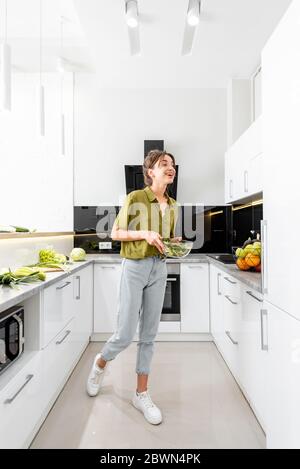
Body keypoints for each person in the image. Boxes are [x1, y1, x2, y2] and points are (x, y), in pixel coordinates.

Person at [86, 150, 181, 425]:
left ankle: (141, 394)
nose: (170, 168)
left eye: (172, 165)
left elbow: (161, 239)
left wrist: (170, 241)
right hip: (135, 266)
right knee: (125, 333)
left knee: (149, 334)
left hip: (158, 267)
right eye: (164, 164)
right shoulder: (135, 198)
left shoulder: (173, 204)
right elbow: (115, 233)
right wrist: (145, 234)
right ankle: (101, 363)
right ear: (150, 172)